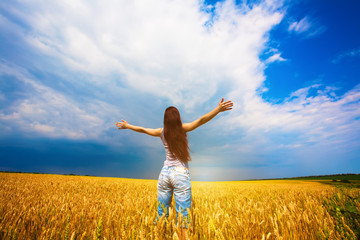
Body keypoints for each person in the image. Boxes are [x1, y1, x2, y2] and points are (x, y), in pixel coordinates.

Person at [115, 98, 233, 237]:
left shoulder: (161, 132)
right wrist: (217, 110)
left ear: (165, 119)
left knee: (162, 214)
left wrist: (128, 126)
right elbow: (201, 120)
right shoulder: (182, 128)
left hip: (164, 174)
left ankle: (160, 236)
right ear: (177, 118)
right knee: (183, 217)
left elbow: (143, 130)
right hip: (180, 173)